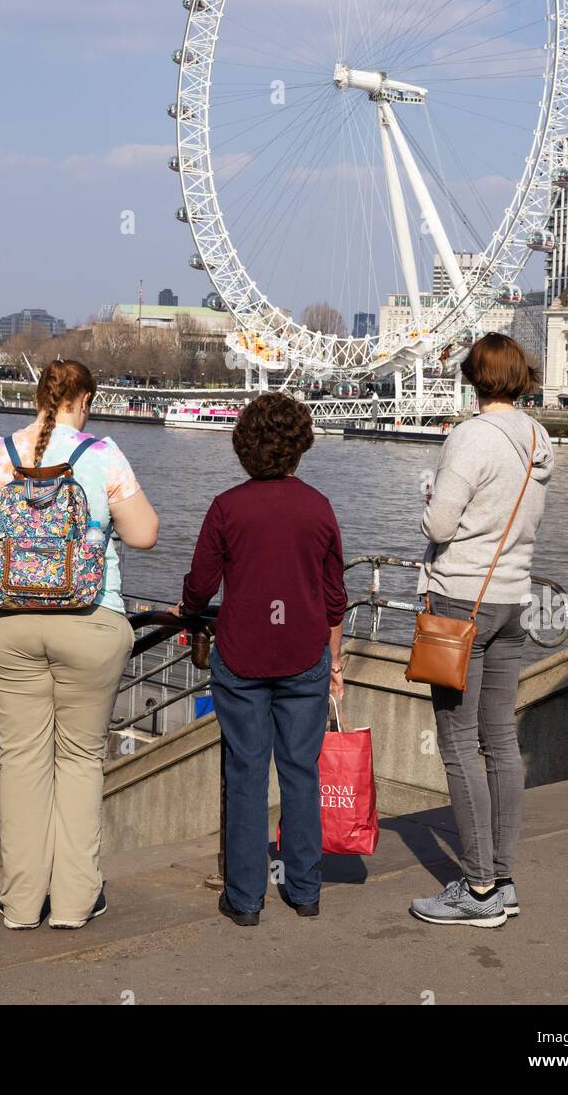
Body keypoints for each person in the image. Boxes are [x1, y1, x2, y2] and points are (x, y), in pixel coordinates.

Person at [0, 359, 159, 931]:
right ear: (84, 399)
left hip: (8, 622)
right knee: (78, 760)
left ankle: (21, 904)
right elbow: (144, 534)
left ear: (36, 396)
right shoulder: (101, 454)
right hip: (90, 622)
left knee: (21, 762)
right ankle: (74, 903)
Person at [174, 392, 346, 926]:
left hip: (242, 656)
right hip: (304, 656)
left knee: (246, 772)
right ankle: (306, 890)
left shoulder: (227, 508)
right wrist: (334, 664)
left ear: (244, 446)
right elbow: (334, 598)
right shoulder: (319, 507)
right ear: (301, 447)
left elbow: (200, 587)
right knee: (301, 772)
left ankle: (246, 899)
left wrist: (187, 610)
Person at [410, 334, 553, 929]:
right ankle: (502, 878)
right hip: (513, 598)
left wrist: (427, 495)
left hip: (460, 598)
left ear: (475, 378)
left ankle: (476, 887)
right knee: (500, 738)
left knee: (457, 741)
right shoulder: (540, 439)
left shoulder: (470, 436)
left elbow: (442, 521)